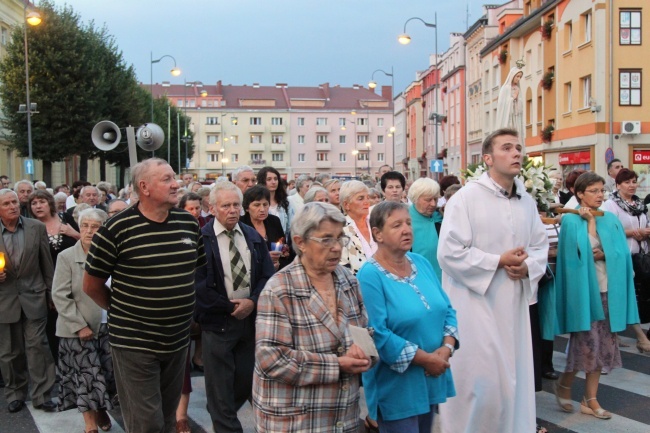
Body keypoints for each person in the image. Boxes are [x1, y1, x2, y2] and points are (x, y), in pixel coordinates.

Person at [437, 128, 549, 433]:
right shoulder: (466, 199)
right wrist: (497, 261)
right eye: (507, 148)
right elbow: (448, 252)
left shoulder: (525, 200)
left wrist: (529, 268)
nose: (516, 154)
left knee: (515, 379)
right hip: (476, 306)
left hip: (513, 307)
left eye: (518, 148)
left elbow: (540, 246)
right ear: (487, 158)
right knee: (482, 385)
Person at [83, 158, 206, 433]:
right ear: (144, 187)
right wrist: (123, 314)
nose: (176, 184)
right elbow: (91, 284)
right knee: (145, 424)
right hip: (134, 343)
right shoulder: (116, 229)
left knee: (165, 417)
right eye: (167, 179)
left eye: (174, 177)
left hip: (176, 340)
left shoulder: (189, 224)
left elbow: (194, 273)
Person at [252, 202, 371, 433]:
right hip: (295, 422)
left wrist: (365, 354)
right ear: (300, 242)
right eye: (326, 239)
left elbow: (363, 333)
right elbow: (272, 359)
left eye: (340, 238)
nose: (336, 247)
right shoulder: (279, 289)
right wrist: (337, 365)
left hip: (341, 418)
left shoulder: (347, 280)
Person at [358, 201, 458, 433]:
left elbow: (447, 310)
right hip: (398, 386)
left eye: (408, 223)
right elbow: (377, 332)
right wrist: (427, 360)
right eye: (396, 225)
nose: (406, 229)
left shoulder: (420, 263)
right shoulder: (369, 275)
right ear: (378, 234)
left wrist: (446, 349)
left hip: (431, 376)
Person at [553, 172, 639, 419]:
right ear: (579, 194)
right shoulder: (570, 221)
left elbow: (621, 253)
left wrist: (607, 255)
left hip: (609, 291)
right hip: (586, 293)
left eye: (602, 190)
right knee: (586, 346)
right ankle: (565, 384)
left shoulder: (610, 219)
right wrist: (590, 226)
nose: (600, 195)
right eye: (593, 190)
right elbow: (577, 258)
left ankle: (589, 398)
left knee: (603, 347)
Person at [194, 181, 274, 433]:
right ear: (212, 208)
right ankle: (223, 419)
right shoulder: (202, 239)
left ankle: (220, 409)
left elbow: (267, 276)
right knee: (219, 387)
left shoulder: (251, 236)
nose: (232, 210)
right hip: (218, 322)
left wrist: (251, 302)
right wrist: (229, 308)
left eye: (236, 205)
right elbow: (198, 284)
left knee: (244, 381)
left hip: (248, 321)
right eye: (226, 205)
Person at [52, 208, 114, 433]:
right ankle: (90, 426)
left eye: (95, 226)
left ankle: (101, 410)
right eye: (85, 226)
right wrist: (79, 326)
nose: (89, 231)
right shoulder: (67, 257)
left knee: (108, 376)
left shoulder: (112, 254)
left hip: (111, 326)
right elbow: (59, 295)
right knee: (85, 379)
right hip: (78, 330)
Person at [0, 188, 56, 413]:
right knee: (9, 351)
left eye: (14, 202)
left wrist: (52, 294)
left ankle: (43, 395)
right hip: (4, 300)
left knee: (37, 347)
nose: (13, 206)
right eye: (6, 204)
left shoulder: (36, 228)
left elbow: (47, 265)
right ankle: (15, 392)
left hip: (34, 296)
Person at [601, 168, 650, 352]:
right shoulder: (611, 205)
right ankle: (640, 337)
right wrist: (634, 233)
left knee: (636, 296)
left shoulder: (639, 204)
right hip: (621, 256)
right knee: (624, 296)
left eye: (634, 181)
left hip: (641, 256)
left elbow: (644, 224)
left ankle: (621, 335)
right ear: (618, 184)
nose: (632, 185)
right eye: (627, 182)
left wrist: (645, 234)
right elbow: (609, 230)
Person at [29, 190, 80, 363]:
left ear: (50, 203)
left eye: (41, 202)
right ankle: (59, 364)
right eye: (34, 203)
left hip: (74, 279)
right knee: (52, 326)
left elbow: (86, 242)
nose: (38, 206)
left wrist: (73, 233)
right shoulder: (30, 226)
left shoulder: (66, 218)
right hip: (47, 283)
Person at [241, 185, 291, 270]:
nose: (262, 209)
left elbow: (282, 245)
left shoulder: (274, 221)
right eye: (257, 205)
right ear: (247, 208)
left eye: (265, 204)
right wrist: (266, 259)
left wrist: (283, 252)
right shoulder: (241, 224)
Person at [408, 178, 443, 281]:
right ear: (415, 199)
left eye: (435, 199)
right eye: (428, 200)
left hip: (444, 280)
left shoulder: (441, 217)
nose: (433, 204)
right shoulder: (405, 221)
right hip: (418, 281)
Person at [339, 180, 377, 275]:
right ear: (346, 205)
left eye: (368, 198)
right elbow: (342, 267)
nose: (366, 202)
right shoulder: (341, 230)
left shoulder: (376, 223)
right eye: (361, 198)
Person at [495, 67, 525, 153]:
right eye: (517, 76)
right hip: (507, 119)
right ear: (512, 76)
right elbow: (502, 105)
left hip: (515, 119)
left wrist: (517, 100)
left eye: (520, 77)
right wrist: (513, 98)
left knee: (516, 136)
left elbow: (520, 107)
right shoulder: (505, 89)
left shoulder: (518, 89)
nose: (518, 79)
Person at [257, 166, 290, 236]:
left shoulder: (285, 202)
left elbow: (289, 227)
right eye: (269, 179)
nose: (273, 182)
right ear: (262, 181)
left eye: (275, 179)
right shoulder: (256, 203)